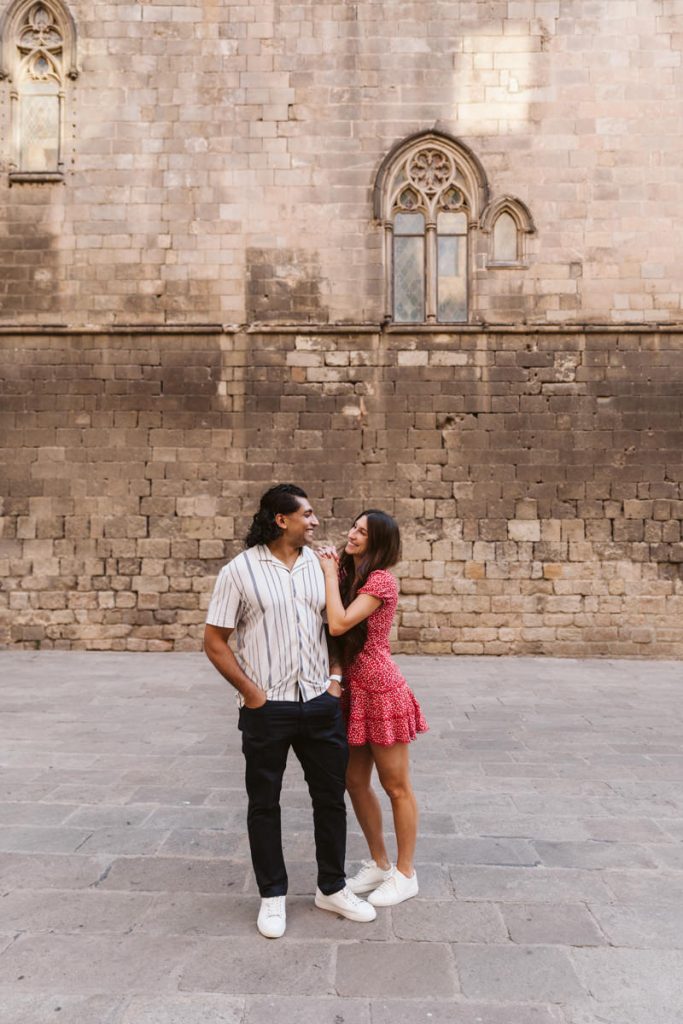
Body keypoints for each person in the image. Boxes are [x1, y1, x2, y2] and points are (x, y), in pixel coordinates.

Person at [203, 484, 376, 939]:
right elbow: (214, 642)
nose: (316, 522)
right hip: (267, 709)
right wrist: (252, 693)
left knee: (330, 799)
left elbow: (335, 627)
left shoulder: (323, 566)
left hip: (320, 702)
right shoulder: (239, 571)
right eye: (308, 514)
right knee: (264, 804)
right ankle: (272, 896)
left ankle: (332, 888)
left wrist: (335, 681)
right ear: (282, 519)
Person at [317, 509, 428, 907]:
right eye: (354, 527)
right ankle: (380, 864)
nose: (353, 534)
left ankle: (405, 873)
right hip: (352, 692)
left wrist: (330, 575)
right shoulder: (349, 576)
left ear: (378, 542)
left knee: (396, 785)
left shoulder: (382, 580)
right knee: (354, 781)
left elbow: (339, 623)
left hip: (380, 690)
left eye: (363, 532)